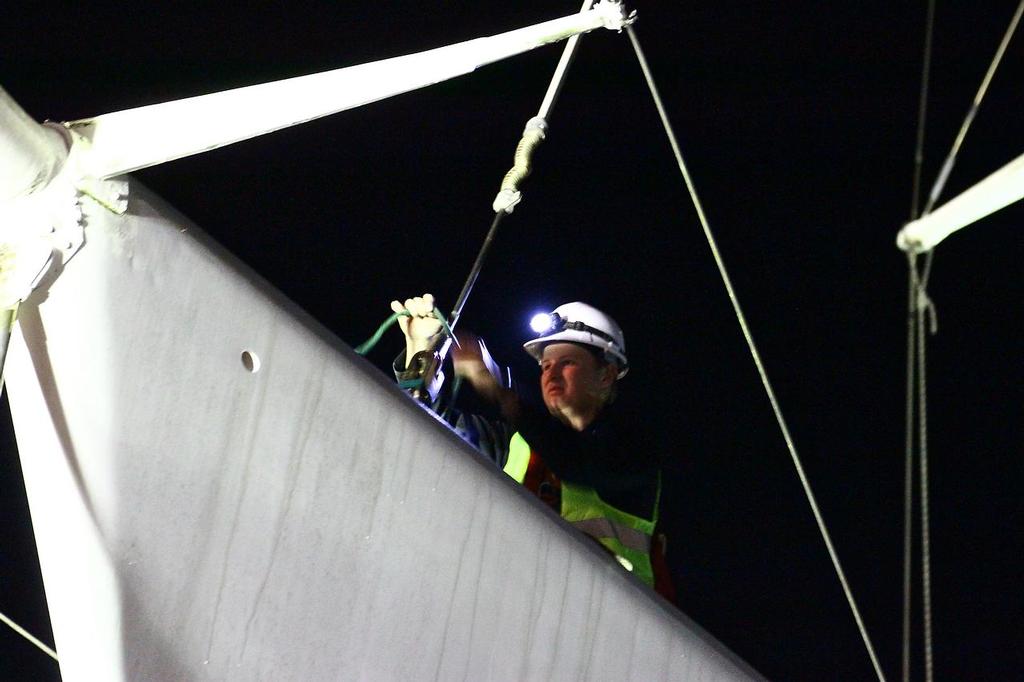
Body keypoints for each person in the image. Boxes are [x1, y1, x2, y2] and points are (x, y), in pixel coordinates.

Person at [390, 294, 673, 599]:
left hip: (611, 619)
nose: (551, 374)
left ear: (606, 374)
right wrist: (420, 350)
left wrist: (497, 391)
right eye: (546, 365)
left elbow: (579, 465)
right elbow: (422, 431)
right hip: (511, 602)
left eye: (567, 363)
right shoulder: (519, 444)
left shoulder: (634, 448)